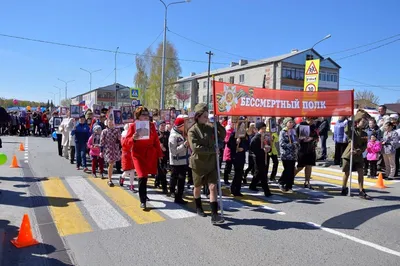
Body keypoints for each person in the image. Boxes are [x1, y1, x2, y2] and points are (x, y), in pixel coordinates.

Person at [187, 103, 226, 224]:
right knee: (197, 187)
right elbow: (196, 148)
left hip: (210, 163)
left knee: (213, 187)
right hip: (198, 164)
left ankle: (215, 215)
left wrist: (217, 124)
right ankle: (198, 207)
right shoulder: (192, 130)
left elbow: (222, 136)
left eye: (207, 115)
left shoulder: (210, 127)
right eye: (204, 116)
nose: (206, 117)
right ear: (197, 116)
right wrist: (212, 150)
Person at [122, 106, 163, 209]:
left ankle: (144, 193)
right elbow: (125, 144)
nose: (146, 116)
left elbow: (156, 141)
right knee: (141, 175)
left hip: (149, 154)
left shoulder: (152, 126)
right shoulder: (133, 126)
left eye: (147, 114)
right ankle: (142, 200)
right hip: (138, 154)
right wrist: (133, 138)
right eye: (143, 114)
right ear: (138, 116)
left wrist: (159, 154)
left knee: (146, 176)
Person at [341, 110, 370, 199]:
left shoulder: (365, 134)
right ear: (358, 122)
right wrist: (354, 118)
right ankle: (344, 187)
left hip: (358, 155)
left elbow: (365, 145)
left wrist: (359, 151)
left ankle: (361, 190)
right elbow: (346, 129)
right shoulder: (352, 131)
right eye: (362, 121)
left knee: (361, 172)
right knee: (347, 173)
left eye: (365, 122)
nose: (364, 123)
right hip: (349, 154)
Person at [248, 122, 272, 197]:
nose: (264, 130)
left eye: (265, 128)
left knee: (259, 172)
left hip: (264, 157)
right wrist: (263, 150)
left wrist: (268, 149)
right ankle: (266, 191)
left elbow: (268, 146)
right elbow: (253, 149)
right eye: (262, 129)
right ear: (258, 129)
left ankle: (252, 185)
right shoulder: (256, 138)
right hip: (258, 158)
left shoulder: (265, 137)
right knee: (263, 174)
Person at [169, 117, 189, 204]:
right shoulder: (173, 136)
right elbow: (173, 151)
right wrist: (184, 145)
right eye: (185, 124)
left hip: (183, 160)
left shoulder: (182, 133)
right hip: (176, 162)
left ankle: (178, 196)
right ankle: (174, 193)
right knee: (177, 178)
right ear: (181, 126)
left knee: (182, 180)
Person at [279, 117, 299, 193]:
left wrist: (297, 144)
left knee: (291, 171)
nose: (291, 123)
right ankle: (281, 182)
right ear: (286, 123)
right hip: (286, 155)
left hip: (293, 154)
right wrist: (291, 145)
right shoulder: (283, 132)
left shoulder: (293, 131)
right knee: (287, 170)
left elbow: (296, 140)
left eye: (292, 122)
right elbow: (282, 144)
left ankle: (289, 186)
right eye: (289, 122)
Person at [100, 118, 121, 186]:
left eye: (112, 123)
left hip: (115, 148)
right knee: (111, 163)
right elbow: (102, 142)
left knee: (113, 163)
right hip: (108, 148)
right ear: (107, 123)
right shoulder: (104, 131)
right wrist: (101, 151)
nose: (111, 124)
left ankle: (120, 177)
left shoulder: (117, 130)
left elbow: (120, 139)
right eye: (110, 123)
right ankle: (109, 179)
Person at [120, 123, 135, 191]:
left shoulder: (134, 135)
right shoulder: (123, 135)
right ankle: (122, 177)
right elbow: (124, 145)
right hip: (126, 154)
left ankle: (131, 185)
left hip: (133, 154)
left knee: (132, 171)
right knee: (127, 171)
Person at [156, 120, 169, 194]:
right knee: (162, 170)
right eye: (162, 125)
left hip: (166, 155)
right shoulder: (156, 134)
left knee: (162, 171)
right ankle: (164, 188)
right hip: (158, 156)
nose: (163, 127)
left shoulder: (168, 133)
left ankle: (157, 181)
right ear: (158, 126)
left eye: (164, 125)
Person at [265, 118, 279, 182]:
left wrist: (273, 137)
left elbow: (276, 140)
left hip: (273, 150)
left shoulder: (274, 130)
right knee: (266, 164)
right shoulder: (265, 130)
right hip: (267, 149)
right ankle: (265, 177)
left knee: (276, 162)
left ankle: (272, 176)